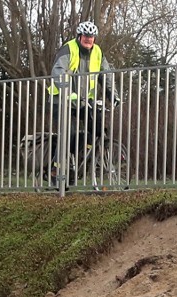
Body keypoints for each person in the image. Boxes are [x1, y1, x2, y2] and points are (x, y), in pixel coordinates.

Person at [47, 21, 119, 184]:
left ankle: (80, 158)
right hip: (62, 99)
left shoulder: (98, 52)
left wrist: (113, 95)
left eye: (91, 36)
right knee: (67, 133)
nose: (89, 39)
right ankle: (56, 170)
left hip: (85, 101)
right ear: (79, 36)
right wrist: (68, 92)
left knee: (99, 129)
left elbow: (106, 75)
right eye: (86, 36)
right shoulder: (69, 48)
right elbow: (57, 71)